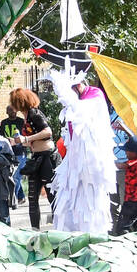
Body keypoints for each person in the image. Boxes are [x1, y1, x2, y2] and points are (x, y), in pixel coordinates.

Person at [47, 69, 116, 235]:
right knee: (67, 205)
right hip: (73, 162)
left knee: (90, 206)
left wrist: (66, 93)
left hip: (91, 164)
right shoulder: (75, 99)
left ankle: (93, 239)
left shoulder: (95, 95)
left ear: (77, 84)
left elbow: (82, 112)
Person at [9, 87, 56, 229]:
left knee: (52, 196)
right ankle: (35, 231)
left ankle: (58, 229)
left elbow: (48, 132)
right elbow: (33, 139)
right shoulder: (27, 116)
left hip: (47, 158)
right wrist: (20, 141)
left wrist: (26, 138)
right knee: (32, 198)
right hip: (36, 158)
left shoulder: (34, 113)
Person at [0, 105, 28, 206]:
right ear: (7, 112)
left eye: (14, 109)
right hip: (9, 153)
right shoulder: (4, 123)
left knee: (16, 177)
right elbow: (0, 136)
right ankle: (21, 197)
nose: (13, 111)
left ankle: (12, 200)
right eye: (10, 110)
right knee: (12, 176)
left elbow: (26, 136)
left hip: (20, 153)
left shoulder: (21, 122)